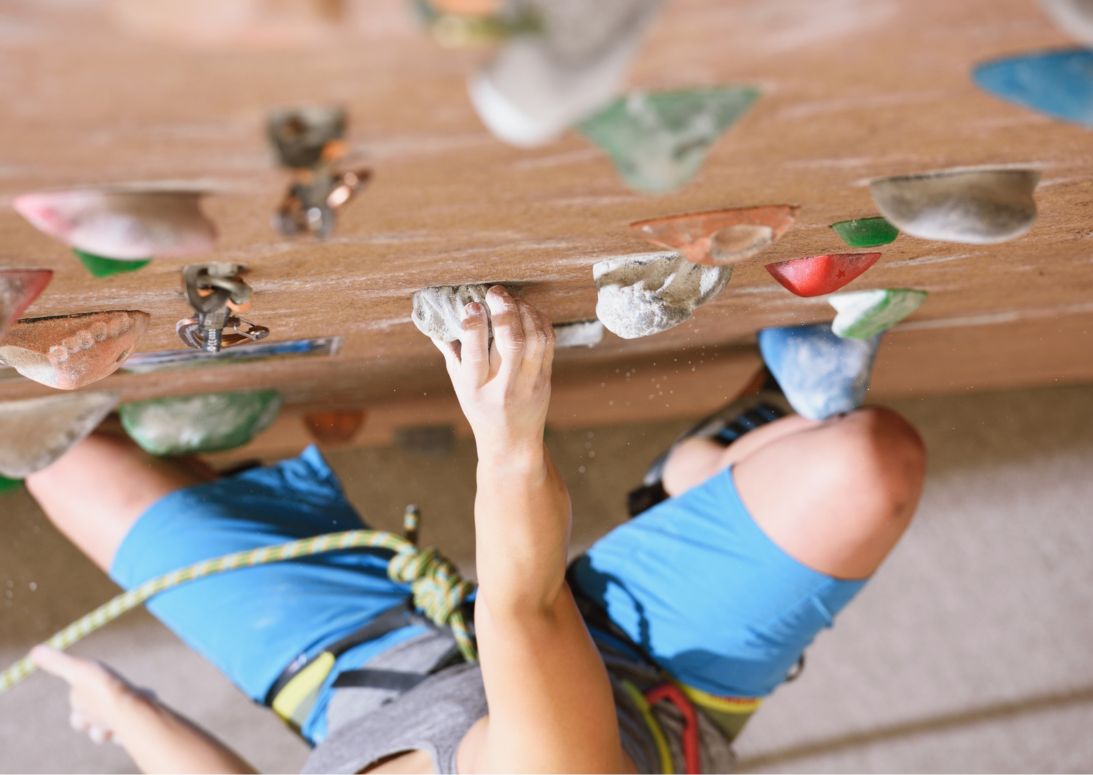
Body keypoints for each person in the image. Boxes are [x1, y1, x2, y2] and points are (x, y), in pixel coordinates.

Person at [25, 286, 926, 773]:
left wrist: (129, 709)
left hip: (366, 684)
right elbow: (524, 608)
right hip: (640, 666)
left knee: (53, 452)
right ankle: (691, 477)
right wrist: (507, 440)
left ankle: (706, 489)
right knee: (865, 466)